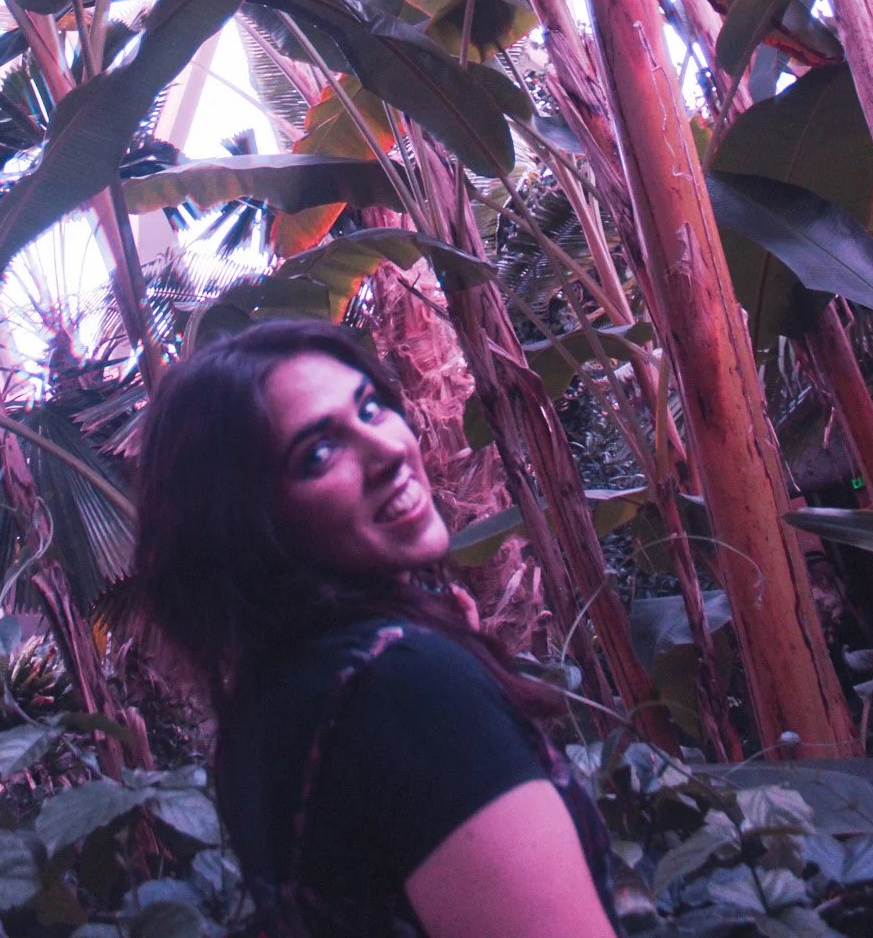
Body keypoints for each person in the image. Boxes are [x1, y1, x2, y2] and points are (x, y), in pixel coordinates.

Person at [134, 318, 621, 938]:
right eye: (318, 452)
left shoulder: (264, 710)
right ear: (247, 527)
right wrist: (433, 678)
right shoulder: (400, 689)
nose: (390, 449)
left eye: (370, 407)